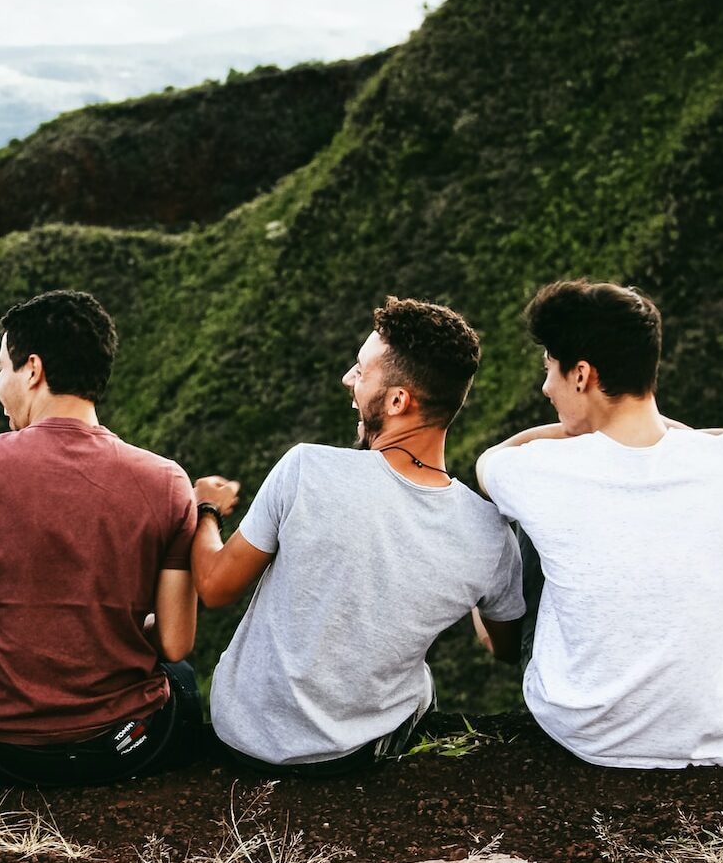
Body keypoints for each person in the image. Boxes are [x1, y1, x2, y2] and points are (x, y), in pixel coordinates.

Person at [192, 297, 526, 777]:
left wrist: (205, 510)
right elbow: (504, 647)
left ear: (397, 401)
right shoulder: (490, 534)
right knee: (421, 682)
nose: (349, 379)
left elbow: (215, 587)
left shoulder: (306, 468)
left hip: (242, 737)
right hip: (353, 757)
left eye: (361, 371)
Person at [476, 280, 723, 769]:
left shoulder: (535, 469)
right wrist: (670, 435)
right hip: (710, 730)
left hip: (581, 728)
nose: (545, 388)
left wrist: (571, 432)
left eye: (550, 371)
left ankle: (507, 650)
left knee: (524, 520)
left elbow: (491, 462)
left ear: (581, 374)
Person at [0, 290, 204, 786]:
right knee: (181, 679)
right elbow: (176, 642)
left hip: (4, 751)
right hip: (125, 747)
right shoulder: (167, 481)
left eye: (1, 369)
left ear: (32, 370)